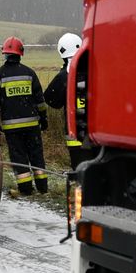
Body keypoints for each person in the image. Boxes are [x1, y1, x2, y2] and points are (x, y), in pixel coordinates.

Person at [0, 36, 48, 196]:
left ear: (5, 54)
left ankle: (26, 189)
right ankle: (43, 188)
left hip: (11, 127)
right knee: (36, 155)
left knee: (18, 157)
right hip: (32, 125)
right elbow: (40, 100)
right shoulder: (29, 73)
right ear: (20, 54)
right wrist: (43, 118)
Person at [43, 32, 93, 171]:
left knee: (79, 169)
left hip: (75, 133)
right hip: (97, 132)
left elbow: (51, 100)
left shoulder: (64, 75)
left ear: (62, 52)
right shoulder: (94, 69)